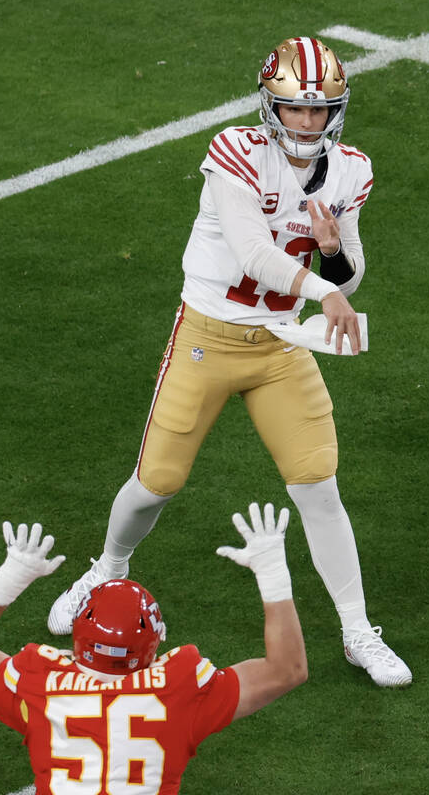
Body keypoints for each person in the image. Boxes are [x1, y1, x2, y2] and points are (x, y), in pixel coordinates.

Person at [45, 37, 410, 688]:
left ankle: (358, 630)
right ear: (270, 108)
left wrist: (330, 259)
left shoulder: (351, 169)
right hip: (207, 338)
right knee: (156, 480)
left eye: (320, 109)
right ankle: (108, 566)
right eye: (295, 109)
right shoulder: (234, 152)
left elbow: (350, 274)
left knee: (317, 482)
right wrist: (323, 289)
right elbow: (250, 254)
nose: (308, 121)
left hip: (277, 346)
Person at [0, 502, 308, 793]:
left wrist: (9, 579)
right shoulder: (181, 686)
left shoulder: (39, 680)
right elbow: (287, 669)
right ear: (152, 642)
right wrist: (273, 574)